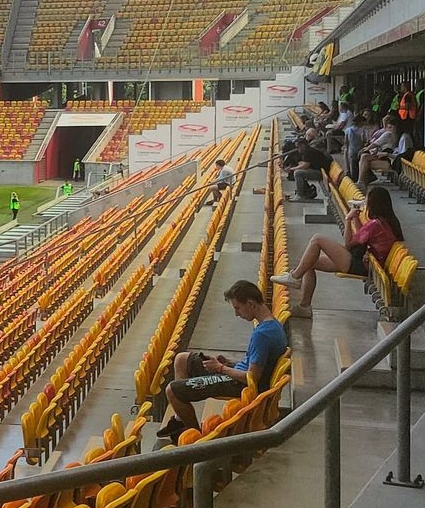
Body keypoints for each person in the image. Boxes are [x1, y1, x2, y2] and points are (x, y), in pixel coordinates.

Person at [160, 281, 287, 443]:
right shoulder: (273, 325)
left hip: (240, 384)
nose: (236, 314)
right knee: (181, 360)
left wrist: (220, 368)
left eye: (237, 308)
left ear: (250, 303)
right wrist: (228, 363)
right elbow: (256, 363)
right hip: (240, 375)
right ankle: (180, 421)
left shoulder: (262, 335)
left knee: (172, 391)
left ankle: (194, 438)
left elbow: (252, 378)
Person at [271, 185, 405, 317]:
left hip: (363, 266)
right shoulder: (387, 222)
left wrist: (348, 219)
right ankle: (304, 306)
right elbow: (362, 236)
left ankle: (294, 277)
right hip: (368, 264)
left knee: (317, 240)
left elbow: (348, 244)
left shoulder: (375, 224)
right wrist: (356, 217)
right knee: (309, 262)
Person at [356, 113, 403, 186]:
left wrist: (366, 149)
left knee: (363, 158)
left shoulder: (388, 134)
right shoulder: (397, 134)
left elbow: (376, 143)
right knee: (364, 157)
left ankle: (361, 181)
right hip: (386, 155)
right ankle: (362, 181)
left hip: (387, 157)